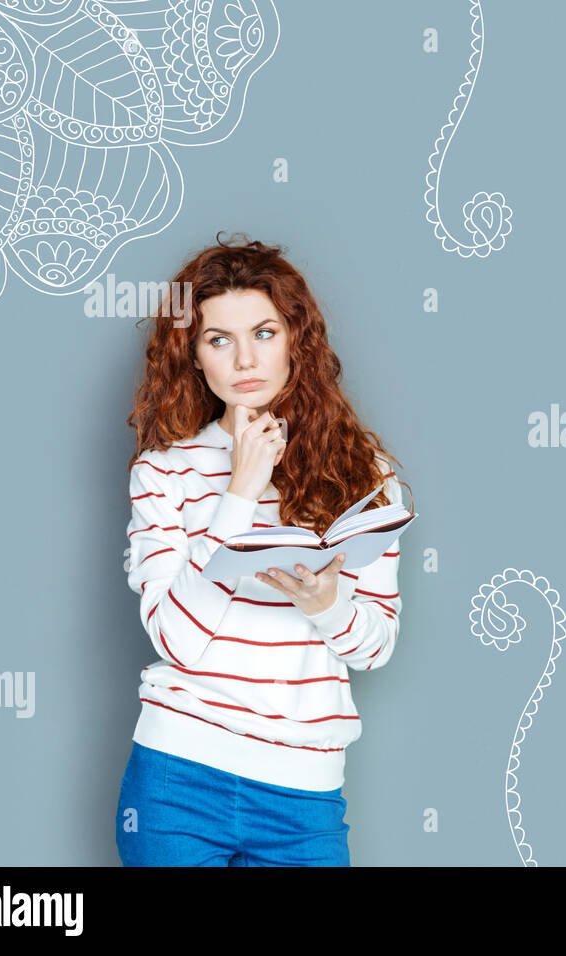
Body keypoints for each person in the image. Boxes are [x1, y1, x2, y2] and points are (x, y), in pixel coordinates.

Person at [116, 234, 411, 866]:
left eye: (265, 332)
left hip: (304, 793)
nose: (245, 358)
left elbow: (376, 647)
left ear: (295, 341)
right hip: (177, 778)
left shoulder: (365, 472)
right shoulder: (164, 472)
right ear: (193, 356)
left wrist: (328, 601)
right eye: (219, 339)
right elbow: (177, 642)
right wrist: (241, 493)